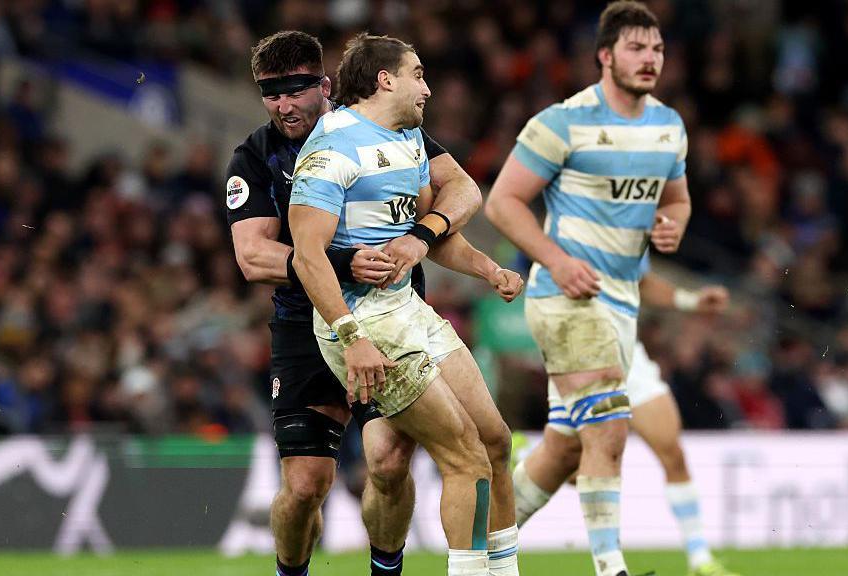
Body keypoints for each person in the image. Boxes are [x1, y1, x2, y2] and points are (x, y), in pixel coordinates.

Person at [225, 31, 497, 576]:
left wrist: (423, 235)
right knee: (305, 487)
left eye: (296, 90)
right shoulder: (255, 156)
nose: (283, 105)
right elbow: (254, 258)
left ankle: (386, 570)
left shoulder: (381, 129)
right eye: (270, 94)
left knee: (390, 462)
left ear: (324, 85)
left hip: (389, 316)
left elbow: (463, 189)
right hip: (307, 323)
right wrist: (340, 260)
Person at [289, 33, 523, 576]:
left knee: (496, 443)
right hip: (362, 320)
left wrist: (488, 269)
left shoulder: (408, 139)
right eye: (418, 74)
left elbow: (423, 236)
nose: (429, 87)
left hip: (406, 307)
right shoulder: (333, 148)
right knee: (463, 456)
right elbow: (306, 257)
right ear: (384, 80)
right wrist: (353, 339)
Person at [485, 3, 691, 576]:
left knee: (566, 448)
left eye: (657, 50)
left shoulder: (668, 126)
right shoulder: (562, 121)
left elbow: (676, 198)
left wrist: (675, 224)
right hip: (565, 297)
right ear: (605, 55)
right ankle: (611, 568)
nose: (649, 59)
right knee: (608, 423)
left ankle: (480, 547)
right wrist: (556, 258)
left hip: (623, 305)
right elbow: (503, 202)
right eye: (636, 48)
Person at [512, 271, 742, 576]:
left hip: (629, 354)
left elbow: (641, 279)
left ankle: (699, 558)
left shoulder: (633, 230)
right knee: (567, 464)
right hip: (582, 351)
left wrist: (691, 300)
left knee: (672, 451)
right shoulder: (574, 231)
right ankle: (488, 542)